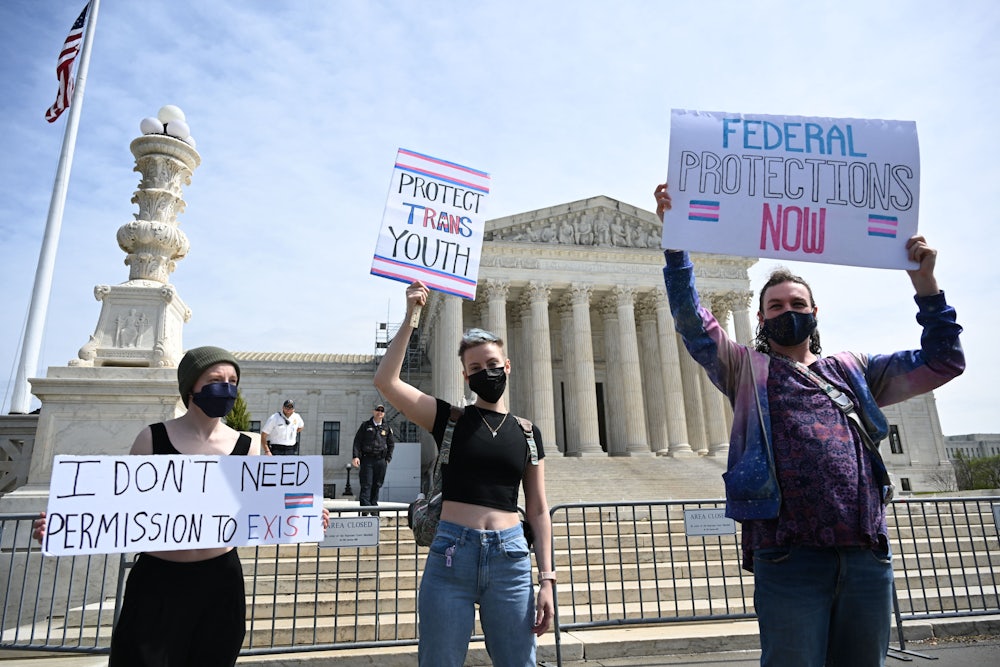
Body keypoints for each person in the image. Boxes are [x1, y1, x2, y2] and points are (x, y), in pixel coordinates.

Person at [654, 184, 965, 667]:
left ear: (814, 312)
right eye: (777, 307)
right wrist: (676, 245)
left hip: (864, 552)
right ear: (759, 318)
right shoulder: (745, 371)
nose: (788, 313)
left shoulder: (852, 369)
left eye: (798, 305)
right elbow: (694, 324)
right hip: (788, 557)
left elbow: (944, 361)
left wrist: (925, 285)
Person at [31, 346, 329, 666]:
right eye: (216, 379)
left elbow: (263, 507)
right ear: (191, 387)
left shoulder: (248, 446)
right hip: (158, 581)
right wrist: (64, 524)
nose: (226, 387)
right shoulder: (152, 439)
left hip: (220, 581)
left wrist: (306, 513)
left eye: (232, 380)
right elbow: (116, 506)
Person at [373, 281, 555, 667]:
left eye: (492, 365)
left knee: (519, 663)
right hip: (452, 554)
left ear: (506, 366)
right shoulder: (450, 419)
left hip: (510, 558)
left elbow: (538, 510)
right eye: (475, 368)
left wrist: (547, 579)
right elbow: (386, 383)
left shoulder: (527, 432)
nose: (485, 372)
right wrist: (411, 317)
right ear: (465, 376)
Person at [352, 403, 396, 514]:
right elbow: (357, 441)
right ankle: (365, 510)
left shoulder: (386, 427)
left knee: (377, 484)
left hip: (381, 460)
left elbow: (391, 444)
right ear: (373, 411)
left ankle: (373, 507)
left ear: (384, 413)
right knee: (366, 484)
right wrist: (356, 456)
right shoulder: (365, 426)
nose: (379, 412)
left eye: (382, 410)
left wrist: (388, 458)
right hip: (367, 459)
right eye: (377, 410)